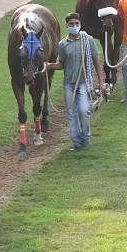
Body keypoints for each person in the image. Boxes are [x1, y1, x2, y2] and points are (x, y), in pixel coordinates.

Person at [46, 12, 103, 151]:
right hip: (69, 84)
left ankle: (86, 138)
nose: (74, 26)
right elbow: (62, 64)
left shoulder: (88, 40)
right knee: (72, 114)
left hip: (84, 83)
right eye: (71, 24)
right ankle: (77, 143)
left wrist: (101, 82)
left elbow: (96, 61)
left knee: (84, 111)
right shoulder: (63, 45)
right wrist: (48, 65)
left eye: (76, 24)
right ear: (67, 25)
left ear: (80, 24)